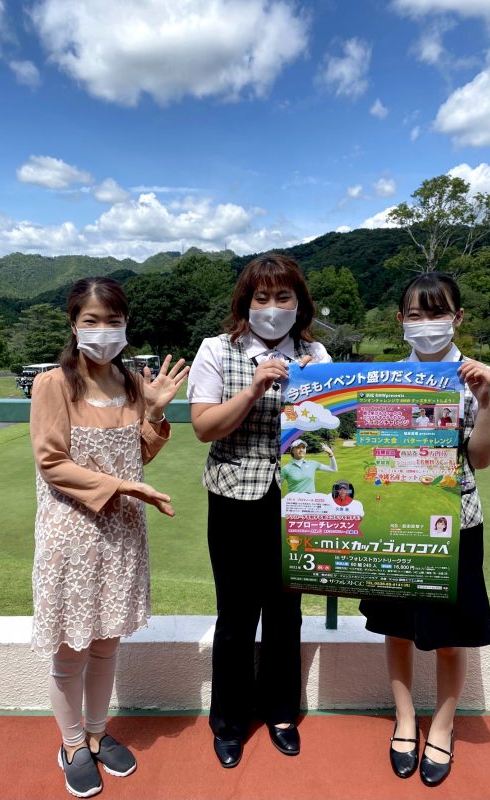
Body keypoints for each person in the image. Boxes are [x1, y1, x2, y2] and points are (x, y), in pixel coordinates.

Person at [29, 276, 189, 798]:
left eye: (113, 320)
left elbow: (137, 455)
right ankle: (72, 743)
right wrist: (123, 487)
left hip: (121, 534)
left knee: (105, 644)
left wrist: (156, 411)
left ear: (125, 324)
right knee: (71, 650)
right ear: (74, 325)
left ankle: (97, 733)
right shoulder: (53, 384)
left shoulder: (132, 383)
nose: (103, 330)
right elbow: (52, 463)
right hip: (71, 536)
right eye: (91, 320)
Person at [360, 271, 490, 787]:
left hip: (455, 523)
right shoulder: (386, 380)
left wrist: (484, 402)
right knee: (397, 628)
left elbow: (481, 459)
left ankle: (442, 726)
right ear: (401, 320)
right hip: (396, 520)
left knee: (450, 635)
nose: (426, 323)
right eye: (415, 314)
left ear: (457, 317)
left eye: (437, 312)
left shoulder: (481, 377)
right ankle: (405, 720)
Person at [187, 253, 331, 768]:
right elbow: (204, 426)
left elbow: (331, 428)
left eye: (283, 297)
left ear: (299, 303)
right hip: (234, 497)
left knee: (286, 610)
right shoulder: (216, 349)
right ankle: (228, 720)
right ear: (245, 303)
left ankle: (280, 712)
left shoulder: (316, 354)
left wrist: (311, 393)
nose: (272, 307)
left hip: (297, 499)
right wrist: (253, 388)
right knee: (236, 612)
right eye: (261, 297)